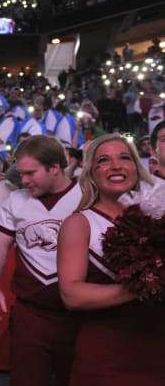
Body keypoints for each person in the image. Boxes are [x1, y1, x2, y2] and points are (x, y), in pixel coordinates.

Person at [57, 134, 164, 385]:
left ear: (136, 168)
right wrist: (147, 284)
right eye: (104, 160)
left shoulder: (157, 217)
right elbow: (71, 295)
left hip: (159, 349)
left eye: (125, 158)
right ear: (91, 173)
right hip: (108, 357)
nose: (116, 166)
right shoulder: (79, 223)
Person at [0, 135, 82, 386]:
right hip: (32, 312)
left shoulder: (87, 194)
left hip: (81, 314)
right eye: (21, 173)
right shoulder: (16, 199)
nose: (24, 180)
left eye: (31, 173)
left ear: (55, 167)